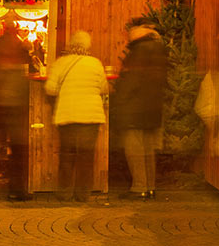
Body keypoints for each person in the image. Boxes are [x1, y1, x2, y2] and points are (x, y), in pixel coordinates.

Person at [45, 30, 108, 202]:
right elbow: (103, 87)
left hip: (68, 115)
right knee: (86, 158)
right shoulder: (95, 63)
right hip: (91, 117)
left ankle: (64, 193)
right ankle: (83, 194)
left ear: (71, 45)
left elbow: (50, 89)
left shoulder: (60, 63)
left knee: (67, 156)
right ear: (88, 45)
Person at [113, 23, 168, 200]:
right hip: (152, 109)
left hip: (134, 110)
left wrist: (118, 100)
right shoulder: (159, 49)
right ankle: (150, 187)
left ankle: (139, 188)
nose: (128, 36)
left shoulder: (139, 51)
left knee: (134, 150)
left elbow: (131, 80)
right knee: (147, 151)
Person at [0, 21, 31, 201]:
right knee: (18, 149)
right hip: (14, 105)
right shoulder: (20, 49)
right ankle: (16, 189)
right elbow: (27, 75)